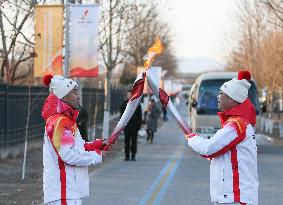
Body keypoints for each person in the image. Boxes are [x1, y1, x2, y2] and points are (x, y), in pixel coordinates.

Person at [186, 71, 258, 205]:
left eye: (221, 94)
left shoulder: (236, 125)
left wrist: (193, 138)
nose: (218, 97)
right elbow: (222, 154)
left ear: (232, 99)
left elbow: (208, 148)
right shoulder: (240, 123)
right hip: (233, 197)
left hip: (235, 198)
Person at [42, 74, 109, 205]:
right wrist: (97, 155)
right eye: (74, 92)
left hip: (68, 192)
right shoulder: (59, 122)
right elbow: (69, 155)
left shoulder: (66, 121)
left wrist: (97, 145)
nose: (78, 96)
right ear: (63, 96)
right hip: (63, 194)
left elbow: (78, 147)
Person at [120, 90, 142, 161]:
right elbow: (121, 116)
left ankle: (133, 155)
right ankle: (127, 155)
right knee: (126, 141)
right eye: (128, 95)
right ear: (126, 96)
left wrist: (138, 126)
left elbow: (139, 116)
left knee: (134, 141)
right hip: (126, 126)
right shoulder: (124, 104)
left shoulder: (136, 104)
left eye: (130, 95)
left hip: (134, 126)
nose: (129, 96)